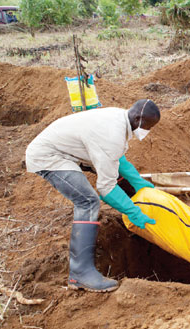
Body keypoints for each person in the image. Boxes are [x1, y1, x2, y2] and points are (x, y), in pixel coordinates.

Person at [25, 99, 161, 292]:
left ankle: (136, 221)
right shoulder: (112, 134)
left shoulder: (120, 118)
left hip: (69, 149)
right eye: (148, 126)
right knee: (87, 201)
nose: (148, 131)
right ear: (138, 118)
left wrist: (138, 182)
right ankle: (80, 274)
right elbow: (106, 188)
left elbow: (117, 159)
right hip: (50, 156)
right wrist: (133, 212)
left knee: (117, 176)